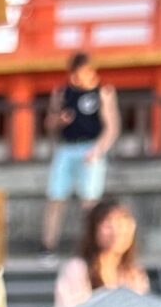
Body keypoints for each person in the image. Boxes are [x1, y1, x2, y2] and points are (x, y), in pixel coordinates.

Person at [41, 53, 120, 251]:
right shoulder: (61, 93)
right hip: (66, 147)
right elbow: (49, 124)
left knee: (90, 201)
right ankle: (48, 246)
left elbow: (111, 127)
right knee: (55, 197)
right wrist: (58, 121)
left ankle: (91, 246)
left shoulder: (102, 93)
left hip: (91, 147)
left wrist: (98, 150)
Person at [53, 197, 150, 307]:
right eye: (108, 225)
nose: (116, 232)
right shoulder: (77, 269)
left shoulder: (134, 273)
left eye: (122, 224)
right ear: (93, 230)